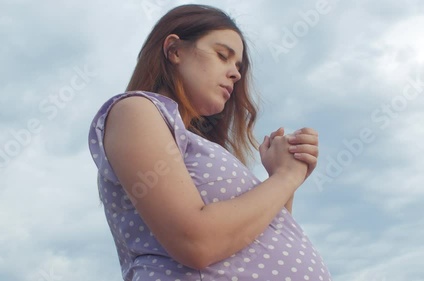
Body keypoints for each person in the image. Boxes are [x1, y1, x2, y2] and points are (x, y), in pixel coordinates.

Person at [88, 4, 332, 281]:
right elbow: (196, 242)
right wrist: (287, 177)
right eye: (222, 55)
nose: (236, 74)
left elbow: (260, 237)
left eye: (238, 67)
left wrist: (281, 178)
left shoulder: (202, 146)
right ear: (175, 50)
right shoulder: (136, 110)